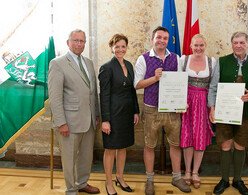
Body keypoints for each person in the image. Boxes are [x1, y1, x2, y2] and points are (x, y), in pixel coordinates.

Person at [134, 26, 191, 195]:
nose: (161, 40)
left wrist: (182, 102)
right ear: (152, 39)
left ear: (168, 40)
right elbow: (137, 85)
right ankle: (150, 180)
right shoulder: (143, 58)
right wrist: (154, 78)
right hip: (151, 109)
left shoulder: (176, 58)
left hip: (173, 110)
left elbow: (182, 82)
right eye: (158, 37)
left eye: (165, 38)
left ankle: (176, 177)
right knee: (149, 145)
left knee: (175, 144)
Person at [208, 32, 248, 195]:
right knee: (225, 145)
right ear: (231, 44)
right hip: (224, 111)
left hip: (245, 112)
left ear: (247, 44)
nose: (238, 45)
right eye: (235, 42)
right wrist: (212, 107)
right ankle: (224, 180)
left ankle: (238, 180)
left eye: (242, 42)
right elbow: (213, 87)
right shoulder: (222, 62)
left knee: (240, 145)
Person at [48, 29, 100, 195]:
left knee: (86, 156)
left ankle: (82, 183)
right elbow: (55, 97)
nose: (79, 44)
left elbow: (93, 92)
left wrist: (97, 114)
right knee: (69, 158)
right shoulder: (58, 63)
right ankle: (71, 189)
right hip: (69, 122)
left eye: (82, 41)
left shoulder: (89, 63)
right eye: (75, 40)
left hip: (90, 120)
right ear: (68, 42)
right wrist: (61, 122)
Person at [98, 34, 140, 195]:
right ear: (112, 48)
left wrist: (136, 110)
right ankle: (108, 183)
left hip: (127, 113)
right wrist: (105, 120)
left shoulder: (129, 65)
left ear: (126, 48)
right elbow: (104, 95)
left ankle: (120, 177)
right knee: (110, 148)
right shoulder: (106, 67)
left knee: (123, 148)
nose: (120, 49)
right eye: (117, 47)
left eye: (123, 46)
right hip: (113, 114)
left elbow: (132, 91)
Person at [179, 34, 215, 189]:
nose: (198, 48)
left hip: (203, 103)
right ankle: (186, 171)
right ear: (190, 46)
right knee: (187, 136)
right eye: (196, 45)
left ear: (205, 45)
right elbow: (177, 82)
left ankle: (195, 172)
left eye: (201, 45)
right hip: (186, 103)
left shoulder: (212, 62)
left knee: (200, 136)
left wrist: (212, 107)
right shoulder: (183, 60)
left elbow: (213, 86)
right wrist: (180, 102)